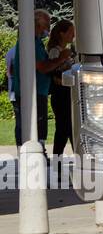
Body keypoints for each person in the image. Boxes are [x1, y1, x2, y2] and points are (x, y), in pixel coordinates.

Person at [8, 10, 72, 150]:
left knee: (49, 126)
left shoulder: (37, 42)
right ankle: (37, 153)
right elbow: (42, 67)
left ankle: (42, 154)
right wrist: (61, 59)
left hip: (39, 91)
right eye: (47, 24)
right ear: (38, 24)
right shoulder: (30, 42)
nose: (49, 27)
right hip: (33, 91)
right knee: (45, 126)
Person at [46, 19, 76, 159]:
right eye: (70, 32)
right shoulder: (55, 51)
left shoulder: (68, 51)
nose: (73, 35)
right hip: (60, 95)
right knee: (63, 129)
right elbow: (54, 73)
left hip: (68, 93)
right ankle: (58, 163)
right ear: (62, 34)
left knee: (70, 128)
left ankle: (77, 160)